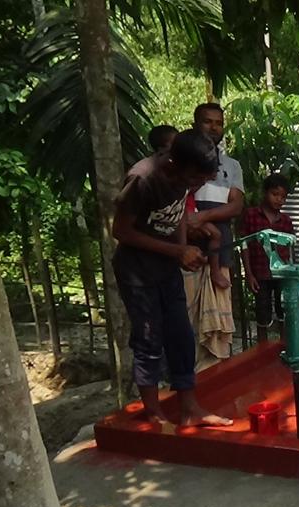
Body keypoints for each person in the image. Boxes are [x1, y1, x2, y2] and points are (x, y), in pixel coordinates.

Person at [111, 128, 232, 427]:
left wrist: (183, 250)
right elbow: (121, 231)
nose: (197, 185)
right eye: (195, 179)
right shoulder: (142, 180)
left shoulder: (185, 178)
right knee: (149, 340)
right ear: (173, 164)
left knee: (181, 336)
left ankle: (190, 410)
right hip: (137, 272)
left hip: (166, 268)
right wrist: (176, 251)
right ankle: (154, 415)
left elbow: (177, 214)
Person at [184, 102, 244, 371]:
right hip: (187, 250)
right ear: (196, 124)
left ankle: (215, 378)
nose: (214, 127)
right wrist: (192, 222)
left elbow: (236, 205)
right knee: (188, 318)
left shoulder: (232, 166)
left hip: (220, 249)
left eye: (218, 123)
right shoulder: (182, 162)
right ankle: (189, 379)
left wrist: (203, 218)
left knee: (218, 323)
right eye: (208, 122)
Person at [240, 173, 295, 342]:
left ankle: (285, 346)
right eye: (275, 194)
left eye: (283, 197)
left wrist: (291, 273)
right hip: (259, 273)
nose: (279, 199)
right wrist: (249, 274)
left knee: (283, 310)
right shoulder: (251, 215)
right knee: (262, 312)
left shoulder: (286, 221)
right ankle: (262, 348)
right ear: (265, 192)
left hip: (281, 273)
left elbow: (290, 248)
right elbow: (244, 244)